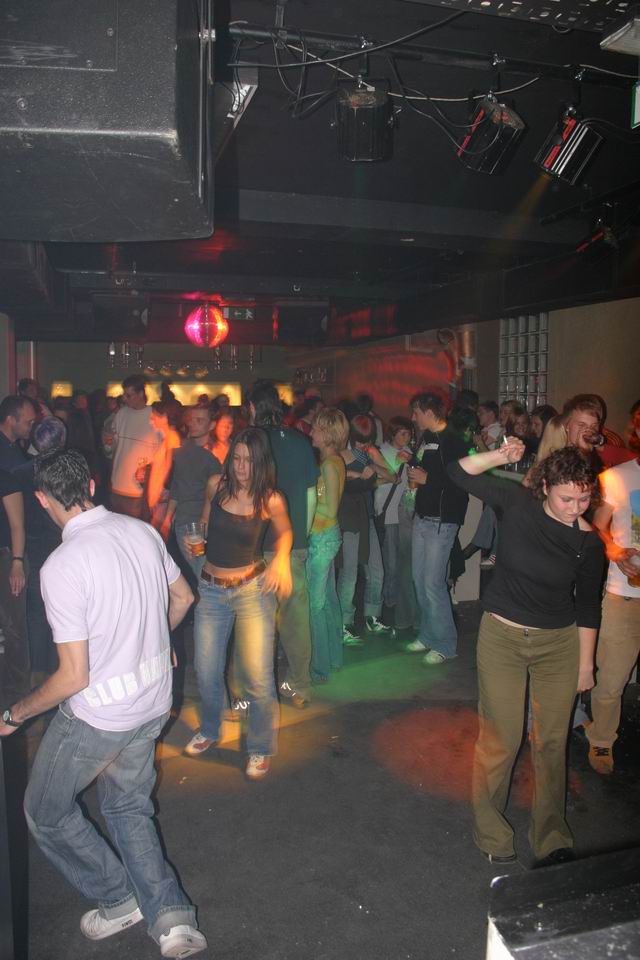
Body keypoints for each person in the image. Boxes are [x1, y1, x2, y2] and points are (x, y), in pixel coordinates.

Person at [0, 449, 206, 957]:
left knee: (45, 811)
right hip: (153, 701)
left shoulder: (62, 565)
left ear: (42, 499)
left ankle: (118, 896)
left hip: (101, 716)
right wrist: (156, 641)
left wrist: (14, 715)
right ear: (91, 485)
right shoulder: (142, 531)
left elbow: (74, 676)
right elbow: (183, 599)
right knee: (129, 808)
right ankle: (173, 921)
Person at [449, 444, 604, 866]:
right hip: (502, 638)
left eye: (584, 499)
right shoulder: (517, 504)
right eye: (566, 498)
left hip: (559, 645)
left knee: (552, 742)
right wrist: (500, 457)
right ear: (546, 486)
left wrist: (586, 664)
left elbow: (588, 606)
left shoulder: (588, 543)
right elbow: (457, 472)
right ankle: (491, 833)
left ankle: (551, 835)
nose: (575, 508)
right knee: (501, 739)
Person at [184, 428, 292, 779]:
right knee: (206, 669)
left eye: (248, 460)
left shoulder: (270, 499)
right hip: (211, 589)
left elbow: (286, 532)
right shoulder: (216, 485)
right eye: (237, 458)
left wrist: (281, 559)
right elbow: (204, 521)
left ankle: (260, 747)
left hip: (251, 590)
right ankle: (211, 728)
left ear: (261, 462)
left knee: (258, 676)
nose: (241, 467)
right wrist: (196, 539)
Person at [247, 380, 319, 708]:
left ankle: (255, 693)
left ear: (252, 408)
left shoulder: (248, 441)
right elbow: (310, 494)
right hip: (293, 546)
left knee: (255, 622)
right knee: (295, 620)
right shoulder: (301, 442)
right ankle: (300, 686)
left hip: (255, 544)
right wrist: (301, 535)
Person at [588, 405, 640, 774]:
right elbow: (597, 527)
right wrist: (615, 550)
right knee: (612, 678)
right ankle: (602, 740)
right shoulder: (617, 477)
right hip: (625, 595)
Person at [405, 393, 469, 664]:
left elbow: (462, 482)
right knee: (419, 580)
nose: (413, 418)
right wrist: (412, 465)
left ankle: (446, 644)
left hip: (442, 521)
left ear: (429, 412)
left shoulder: (453, 441)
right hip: (423, 516)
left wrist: (428, 478)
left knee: (433, 583)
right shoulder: (427, 438)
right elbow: (421, 468)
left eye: (416, 412)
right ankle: (429, 635)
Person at [14, 417, 66, 680]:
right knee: (62, 611)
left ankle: (39, 674)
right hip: (61, 547)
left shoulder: (21, 472)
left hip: (34, 548)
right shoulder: (69, 470)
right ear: (62, 440)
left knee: (37, 612)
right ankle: (61, 670)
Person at [337, 414, 397, 644]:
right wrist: (356, 473)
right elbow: (332, 477)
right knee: (350, 573)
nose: (363, 445)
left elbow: (393, 476)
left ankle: (373, 615)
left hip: (367, 515)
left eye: (367, 441)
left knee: (376, 569)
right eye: (360, 441)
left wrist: (372, 464)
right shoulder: (342, 454)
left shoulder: (370, 452)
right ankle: (344, 622)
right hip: (349, 517)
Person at [307, 408, 348, 682]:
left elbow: (331, 509)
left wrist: (305, 508)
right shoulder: (332, 461)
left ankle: (319, 669)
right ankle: (333, 658)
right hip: (326, 537)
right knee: (329, 601)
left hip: (322, 538)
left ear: (327, 434)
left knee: (316, 605)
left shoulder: (330, 465)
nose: (311, 432)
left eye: (316, 428)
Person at [161, 406, 221, 578]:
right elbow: (176, 487)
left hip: (210, 524)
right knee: (202, 575)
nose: (193, 424)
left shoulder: (216, 452)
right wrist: (167, 519)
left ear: (211, 425)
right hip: (190, 525)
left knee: (205, 574)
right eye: (192, 420)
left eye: (199, 420)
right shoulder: (182, 452)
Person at [375, 416, 416, 631]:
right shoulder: (381, 452)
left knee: (403, 562)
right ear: (393, 433)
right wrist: (399, 462)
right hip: (387, 512)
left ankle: (399, 603)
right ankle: (388, 605)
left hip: (405, 514)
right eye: (403, 433)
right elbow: (383, 480)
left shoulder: (409, 451)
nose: (406, 438)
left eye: (409, 434)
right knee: (390, 563)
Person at [105, 375, 162, 518]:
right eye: (124, 395)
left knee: (135, 528)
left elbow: (162, 455)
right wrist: (107, 443)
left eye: (128, 395)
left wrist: (150, 470)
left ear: (141, 394)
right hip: (117, 485)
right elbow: (112, 449)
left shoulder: (155, 417)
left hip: (138, 491)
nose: (124, 399)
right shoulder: (121, 414)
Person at [0, 467, 28, 710]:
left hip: (6, 559)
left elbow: (17, 525)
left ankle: (18, 691)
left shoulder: (5, 477)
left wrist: (16, 563)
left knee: (13, 627)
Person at [0, 395, 36, 471]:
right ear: (11, 420)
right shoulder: (4, 453)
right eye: (29, 422)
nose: (32, 427)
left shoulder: (11, 442)